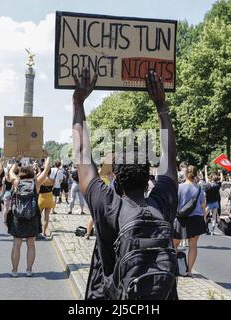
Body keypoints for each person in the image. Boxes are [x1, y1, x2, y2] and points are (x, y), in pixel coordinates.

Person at [72, 69, 178, 300]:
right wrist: (161, 106)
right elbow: (170, 159)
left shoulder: (108, 206)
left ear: (116, 180)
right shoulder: (162, 202)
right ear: (149, 177)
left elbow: (82, 154)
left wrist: (78, 103)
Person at [6, 159, 49, 277]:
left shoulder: (16, 182)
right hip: (32, 216)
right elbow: (45, 171)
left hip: (18, 216)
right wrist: (47, 159)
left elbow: (10, 172)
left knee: (16, 244)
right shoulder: (36, 183)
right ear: (32, 173)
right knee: (31, 244)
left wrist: (17, 161)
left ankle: (14, 271)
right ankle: (29, 270)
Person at [173, 165, 207, 276]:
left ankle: (174, 268)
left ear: (185, 174)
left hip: (181, 219)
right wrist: (204, 218)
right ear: (195, 174)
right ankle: (190, 271)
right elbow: (203, 205)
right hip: (196, 219)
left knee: (173, 245)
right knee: (193, 246)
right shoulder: (199, 189)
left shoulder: (179, 187)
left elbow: (174, 204)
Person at [37, 158, 55, 238]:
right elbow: (53, 188)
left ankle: (37, 231)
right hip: (50, 197)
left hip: (41, 198)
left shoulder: (42, 180)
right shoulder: (52, 180)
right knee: (47, 217)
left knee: (38, 216)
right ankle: (44, 232)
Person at [203, 165, 223, 235]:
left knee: (204, 215)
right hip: (215, 203)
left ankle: (204, 227)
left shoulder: (208, 186)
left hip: (209, 203)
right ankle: (212, 231)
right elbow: (221, 179)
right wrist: (221, 173)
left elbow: (206, 177)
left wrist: (205, 168)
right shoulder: (217, 185)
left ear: (211, 179)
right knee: (214, 217)